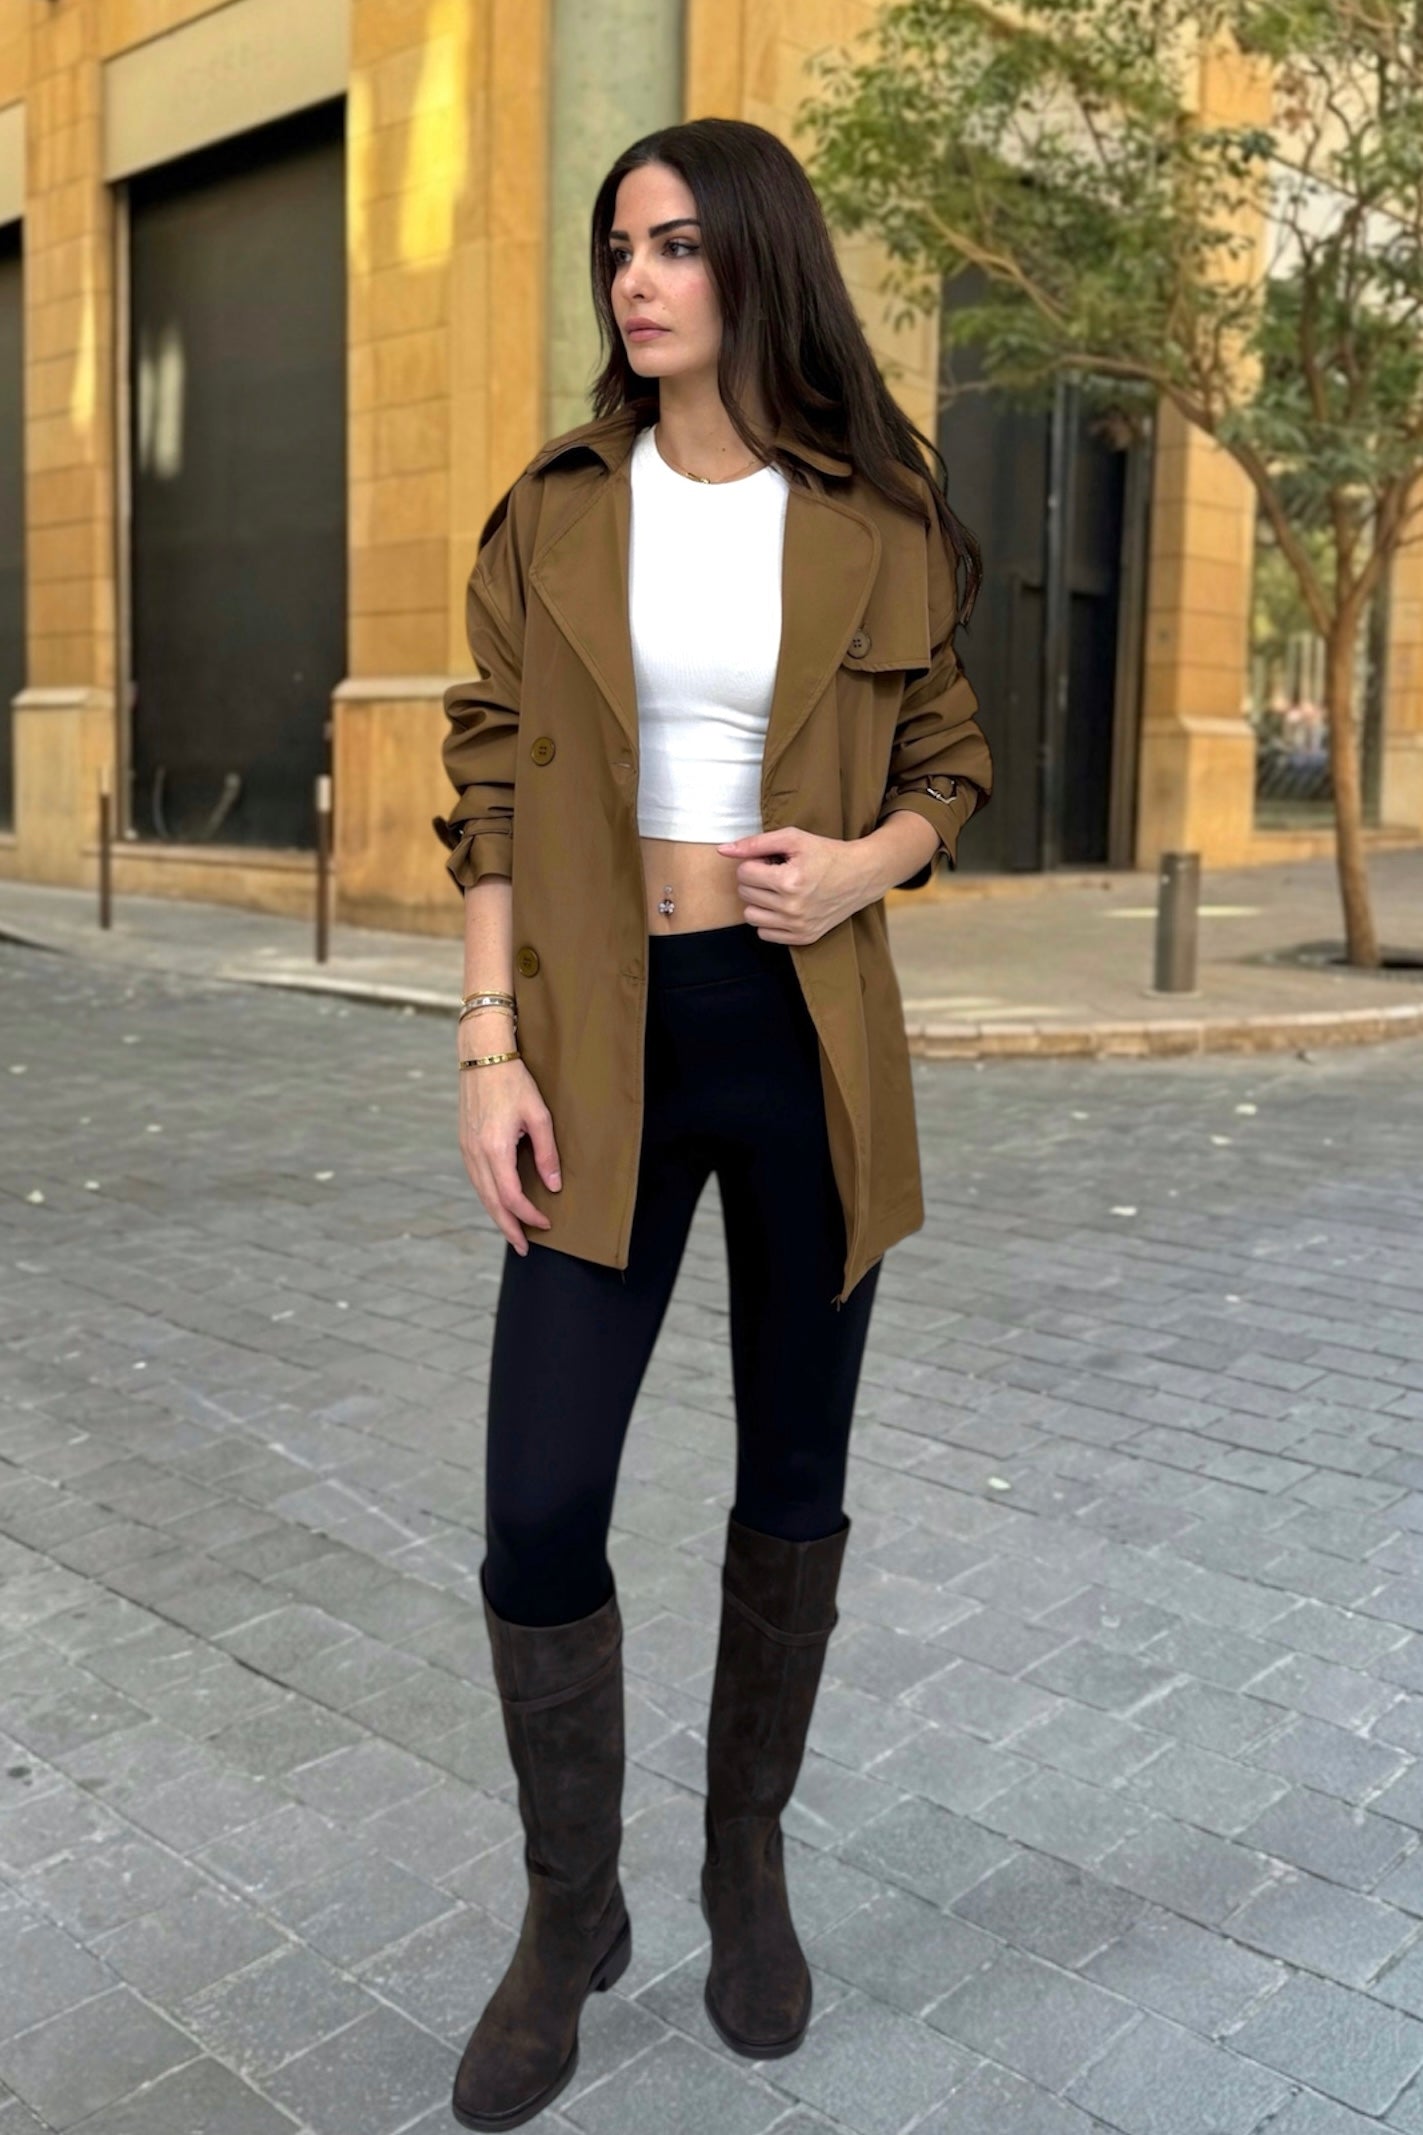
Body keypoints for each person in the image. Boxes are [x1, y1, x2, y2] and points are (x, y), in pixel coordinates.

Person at [433, 116, 993, 2132]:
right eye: (614, 252)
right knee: (535, 1510)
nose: (636, 281)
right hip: (596, 1034)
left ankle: (739, 1857)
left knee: (791, 1476)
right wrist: (487, 1046)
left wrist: (865, 866)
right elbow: (485, 782)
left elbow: (950, 761)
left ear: (756, 263)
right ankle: (566, 1906)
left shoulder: (880, 517)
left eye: (674, 244)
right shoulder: (553, 512)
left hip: (800, 1037)